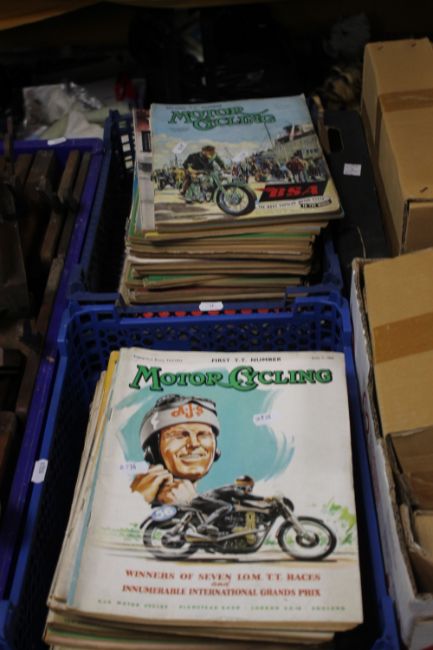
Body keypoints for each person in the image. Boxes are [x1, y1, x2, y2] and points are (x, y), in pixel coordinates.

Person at [130, 394, 221, 506]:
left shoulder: (231, 502)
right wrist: (135, 502)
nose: (194, 444)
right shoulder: (130, 497)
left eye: (203, 435)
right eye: (179, 435)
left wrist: (192, 504)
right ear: (153, 450)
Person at [192, 475, 270, 535]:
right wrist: (263, 498)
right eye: (249, 488)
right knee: (227, 506)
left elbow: (245, 504)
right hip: (201, 500)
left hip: (205, 501)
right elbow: (245, 496)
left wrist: (263, 508)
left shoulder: (233, 494)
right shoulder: (233, 488)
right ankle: (203, 526)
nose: (250, 491)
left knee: (229, 508)